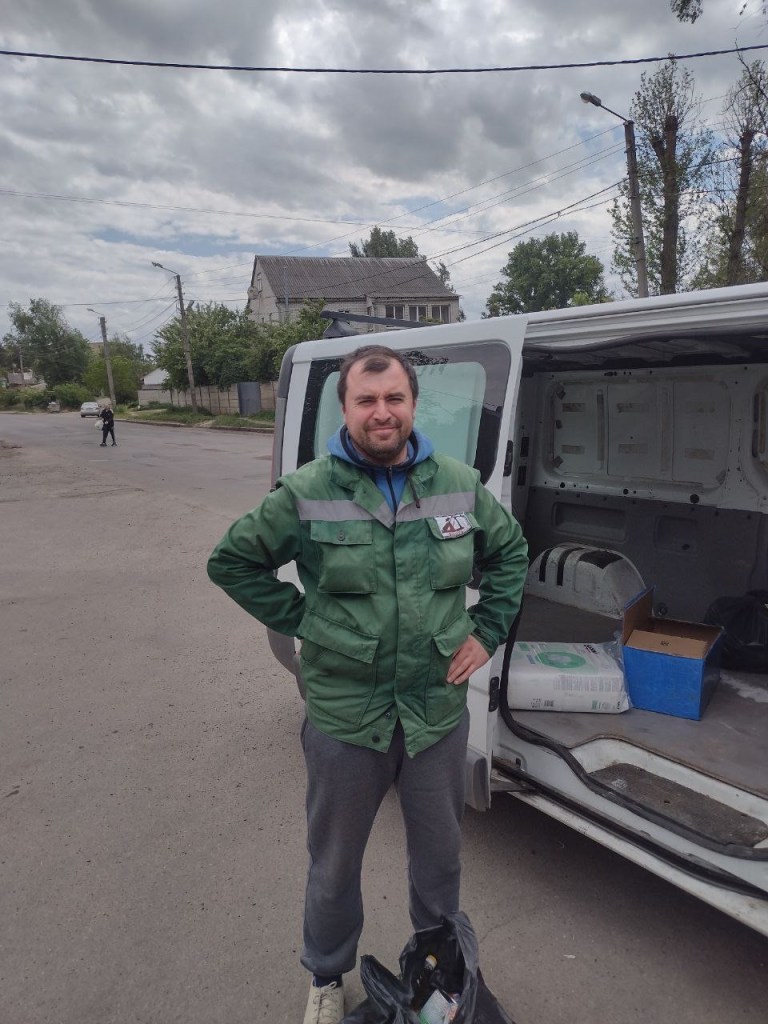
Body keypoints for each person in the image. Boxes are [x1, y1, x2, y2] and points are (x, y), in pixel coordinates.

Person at [207, 345, 528, 1024]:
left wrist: (487, 631)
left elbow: (510, 553)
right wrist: (306, 620)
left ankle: (438, 972)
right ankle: (327, 976)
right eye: (367, 400)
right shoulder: (306, 491)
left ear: (413, 404)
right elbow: (232, 562)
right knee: (333, 865)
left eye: (394, 399)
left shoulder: (458, 483)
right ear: (345, 408)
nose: (382, 413)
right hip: (345, 718)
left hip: (435, 714)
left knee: (439, 862)